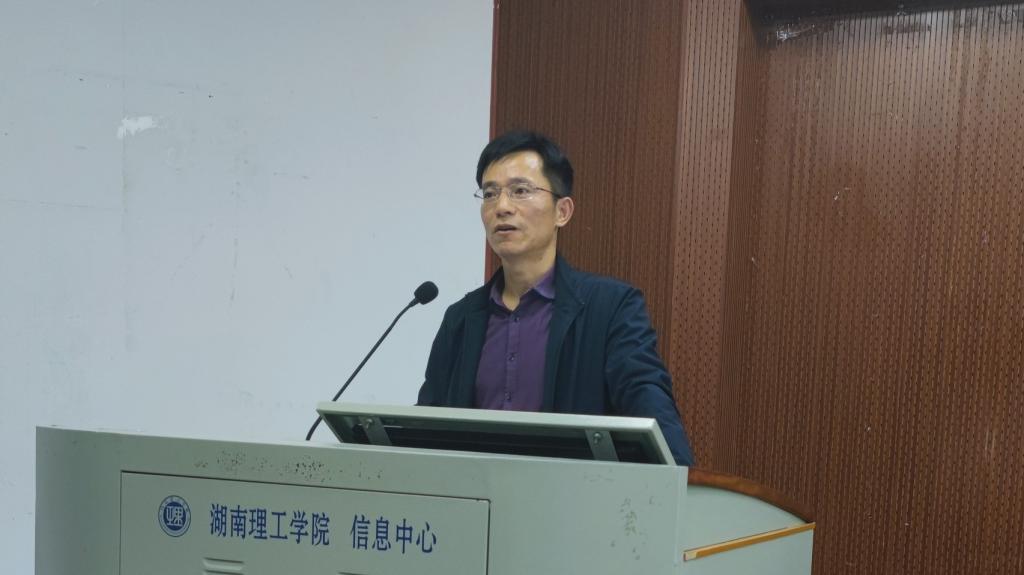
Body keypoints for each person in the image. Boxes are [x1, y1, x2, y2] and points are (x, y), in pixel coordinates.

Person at [417, 131, 695, 466]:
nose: (501, 207)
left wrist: (681, 481)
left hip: (574, 495)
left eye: (520, 191)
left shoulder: (611, 308)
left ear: (562, 211)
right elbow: (425, 428)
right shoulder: (461, 318)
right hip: (474, 495)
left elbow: (647, 402)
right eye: (490, 194)